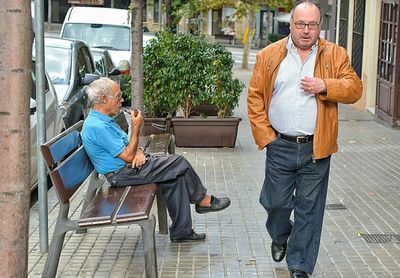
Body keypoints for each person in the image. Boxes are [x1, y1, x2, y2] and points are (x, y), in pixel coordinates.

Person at [247, 1, 362, 277]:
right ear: (291, 25)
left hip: (316, 147)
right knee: (276, 203)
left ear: (320, 26)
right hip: (279, 145)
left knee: (309, 210)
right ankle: (280, 235)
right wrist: (267, 137)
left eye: (312, 25)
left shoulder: (336, 55)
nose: (306, 30)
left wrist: (326, 85)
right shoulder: (269, 55)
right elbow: (255, 98)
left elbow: (355, 89)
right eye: (301, 24)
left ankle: (299, 265)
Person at [81, 77, 231, 243]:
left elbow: (128, 146)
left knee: (175, 176)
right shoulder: (98, 126)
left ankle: (182, 232)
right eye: (118, 96)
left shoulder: (104, 119)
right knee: (179, 162)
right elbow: (128, 156)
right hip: (123, 174)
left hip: (129, 168)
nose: (122, 100)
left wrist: (139, 151)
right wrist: (137, 128)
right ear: (104, 99)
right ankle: (202, 199)